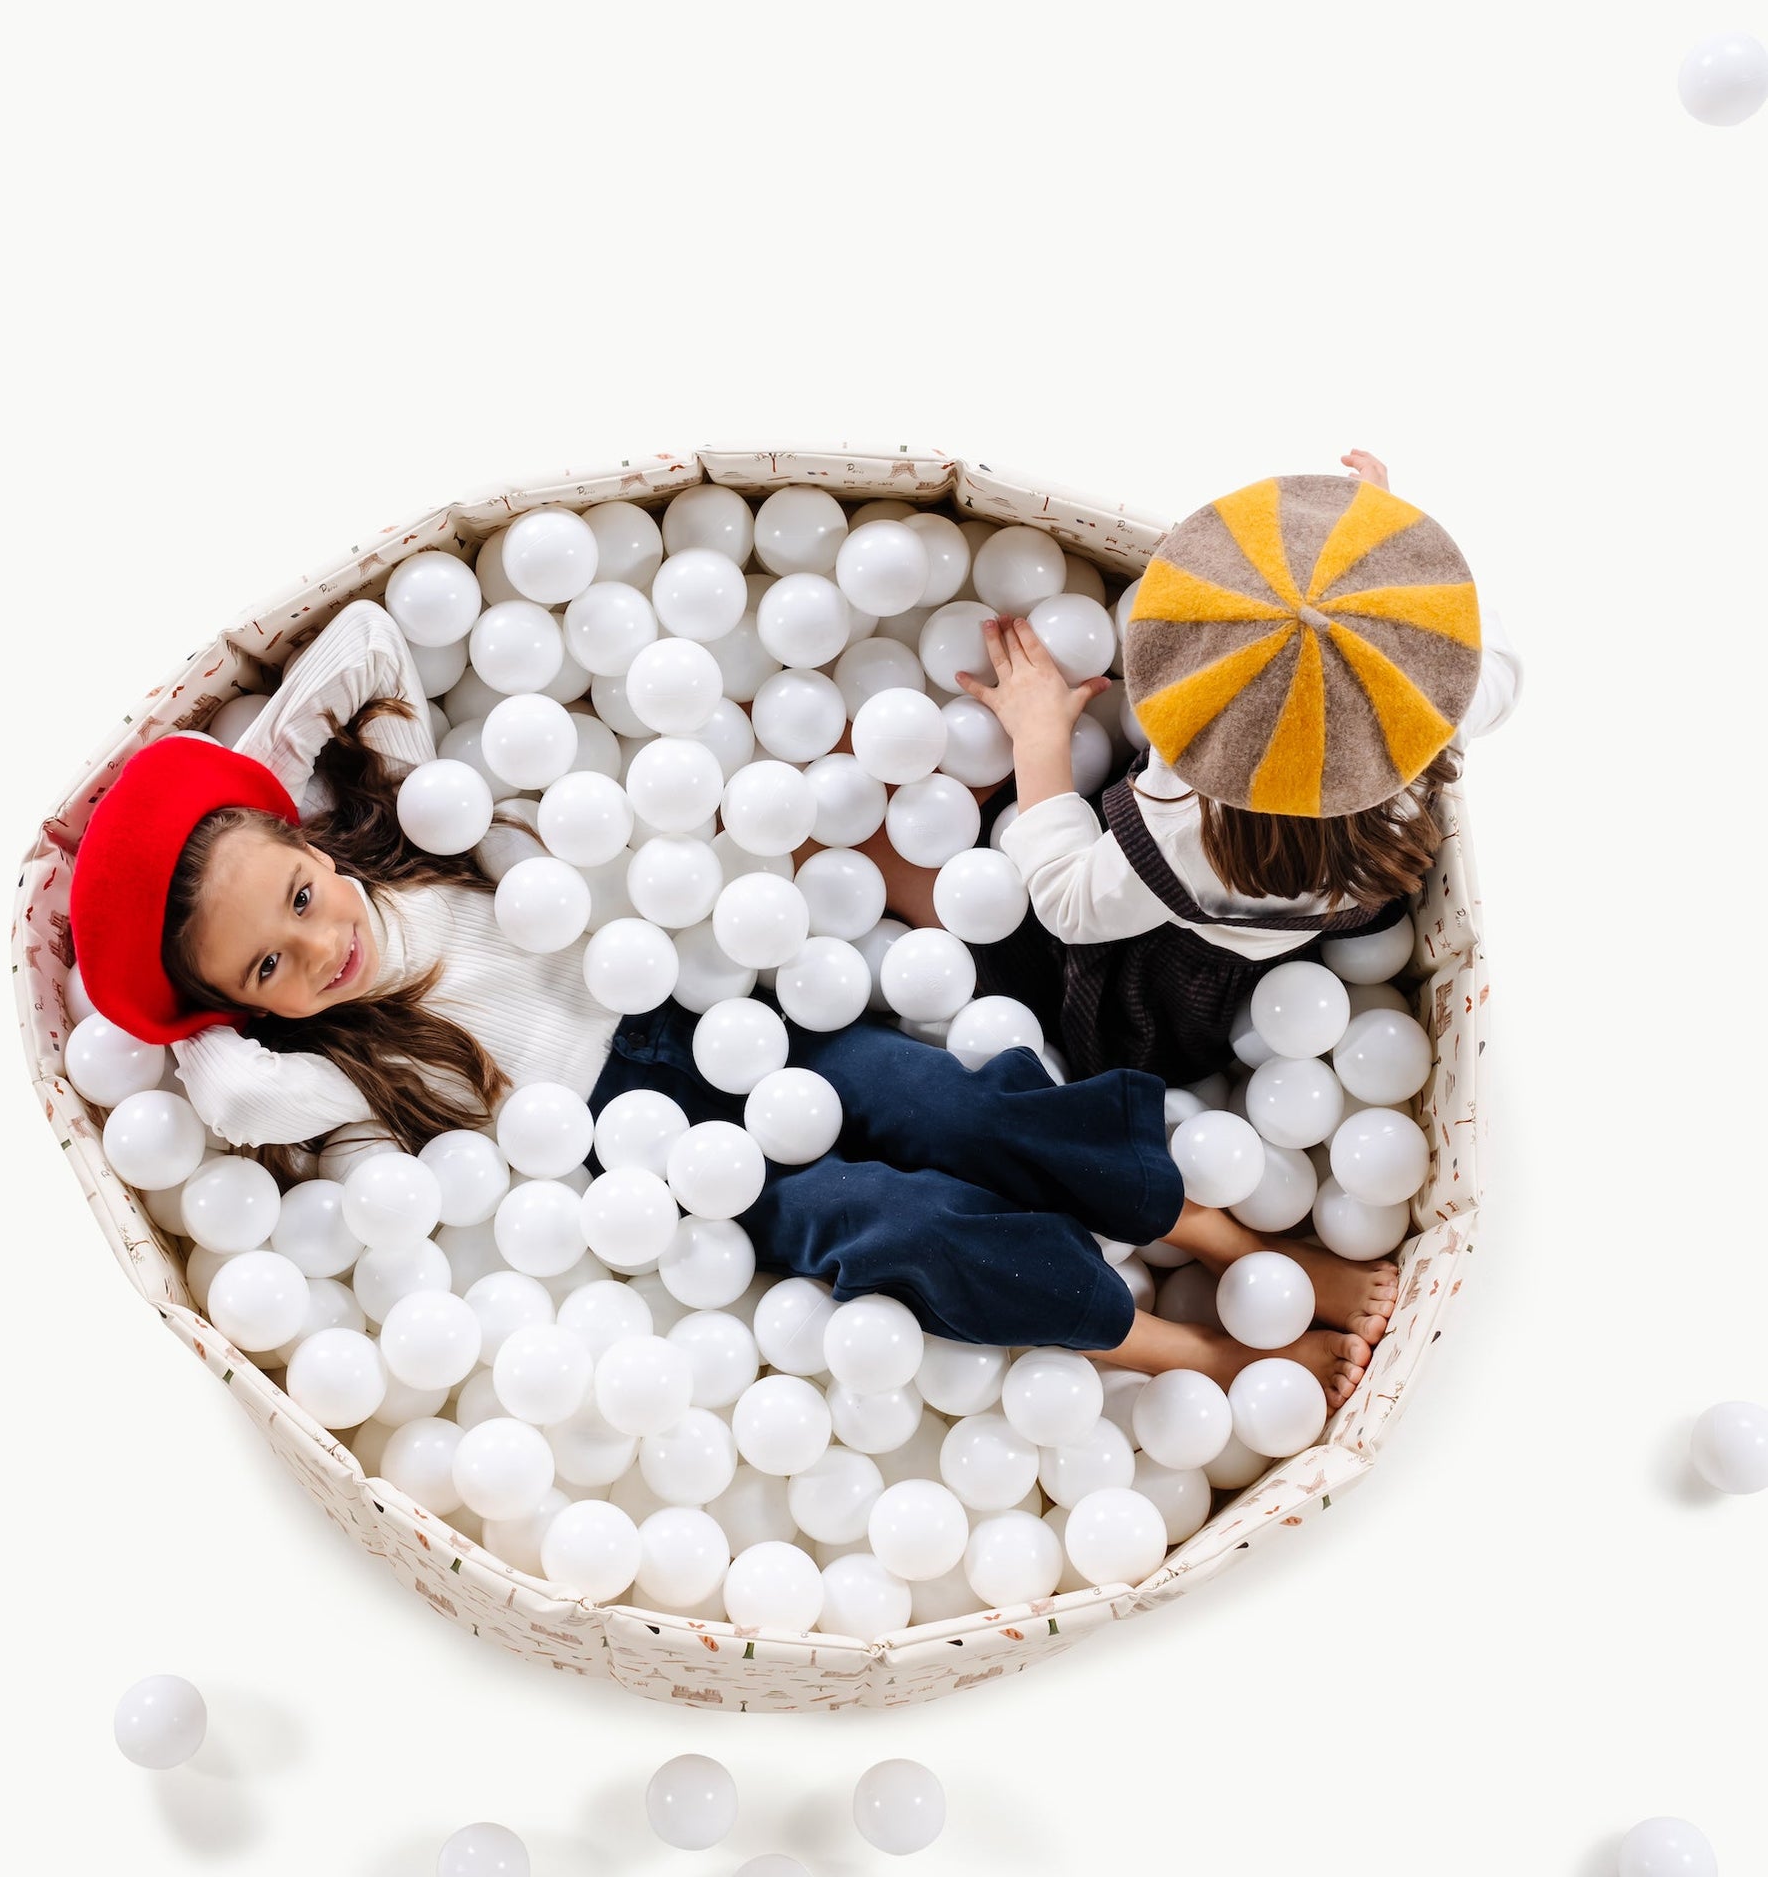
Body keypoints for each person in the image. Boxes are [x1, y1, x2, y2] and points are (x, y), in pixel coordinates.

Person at [68, 598, 1385, 1405]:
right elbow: (231, 1093)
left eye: (298, 898)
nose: (316, 952)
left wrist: (244, 790)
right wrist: (195, 1014)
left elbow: (363, 646)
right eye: (264, 971)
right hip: (653, 1164)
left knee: (954, 1102)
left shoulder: (402, 826)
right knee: (888, 1226)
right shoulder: (334, 1060)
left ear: (309, 842)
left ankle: (1242, 1250)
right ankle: (1190, 1354)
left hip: (722, 1016)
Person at [956, 452, 1522, 1085]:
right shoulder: (1438, 722)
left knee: (982, 888)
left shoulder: (1183, 834)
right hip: (1313, 912)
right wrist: (1380, 558)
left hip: (1164, 984)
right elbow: (1493, 660)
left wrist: (1040, 736)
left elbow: (1065, 900)